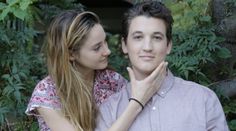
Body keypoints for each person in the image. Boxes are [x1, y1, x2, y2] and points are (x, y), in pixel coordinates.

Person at [96, 1, 229, 131]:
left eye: (157, 37)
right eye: (138, 37)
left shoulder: (202, 99)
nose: (147, 47)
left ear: (169, 45)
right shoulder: (109, 110)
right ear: (125, 45)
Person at [25, 10, 167, 131]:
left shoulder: (112, 81)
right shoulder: (47, 93)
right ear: (71, 54)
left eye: (105, 41)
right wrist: (136, 103)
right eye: (97, 47)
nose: (108, 51)